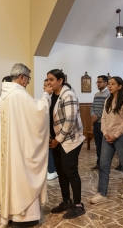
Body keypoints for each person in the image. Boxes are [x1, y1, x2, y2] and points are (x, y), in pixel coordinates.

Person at [0, 63, 52, 227]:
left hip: (10, 148)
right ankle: (25, 216)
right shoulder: (19, 95)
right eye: (28, 79)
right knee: (22, 176)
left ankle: (10, 213)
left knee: (11, 177)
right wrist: (46, 95)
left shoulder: (4, 95)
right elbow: (39, 113)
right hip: (19, 148)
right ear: (22, 77)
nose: (28, 82)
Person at [90, 77, 123, 203]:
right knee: (104, 165)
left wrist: (115, 135)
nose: (110, 86)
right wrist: (105, 133)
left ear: (120, 86)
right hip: (108, 137)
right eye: (109, 84)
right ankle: (102, 193)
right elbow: (104, 119)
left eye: (113, 84)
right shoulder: (107, 101)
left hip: (121, 136)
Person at [47, 69, 85, 219]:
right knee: (61, 172)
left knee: (71, 172)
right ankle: (66, 201)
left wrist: (58, 139)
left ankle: (78, 205)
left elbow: (70, 121)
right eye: (48, 80)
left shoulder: (68, 95)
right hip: (57, 140)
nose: (49, 82)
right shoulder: (52, 96)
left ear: (60, 80)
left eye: (51, 79)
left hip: (70, 140)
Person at [90, 75, 110, 170]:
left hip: (103, 123)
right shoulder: (96, 95)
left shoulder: (108, 94)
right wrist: (93, 114)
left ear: (105, 83)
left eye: (100, 82)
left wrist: (97, 116)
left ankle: (104, 163)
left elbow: (106, 108)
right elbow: (92, 107)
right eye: (97, 82)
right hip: (96, 123)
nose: (98, 84)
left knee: (104, 145)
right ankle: (99, 163)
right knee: (98, 144)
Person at [44, 79, 58, 181]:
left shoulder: (56, 98)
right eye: (44, 86)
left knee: (52, 151)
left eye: (47, 86)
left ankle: (53, 170)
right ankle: (51, 169)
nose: (45, 88)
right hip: (48, 129)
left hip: (55, 129)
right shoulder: (46, 97)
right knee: (49, 150)